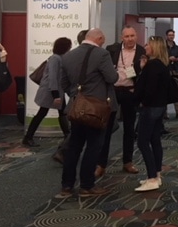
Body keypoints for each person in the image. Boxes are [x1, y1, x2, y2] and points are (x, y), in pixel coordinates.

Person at [59, 28, 118, 197]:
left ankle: (67, 185)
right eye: (102, 40)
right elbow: (112, 78)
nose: (103, 43)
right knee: (93, 147)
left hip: (76, 107)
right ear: (98, 38)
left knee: (74, 147)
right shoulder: (102, 55)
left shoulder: (68, 56)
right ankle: (86, 185)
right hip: (95, 109)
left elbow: (64, 83)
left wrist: (76, 96)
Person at [96, 25, 145, 178]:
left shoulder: (143, 51)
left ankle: (128, 161)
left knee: (129, 129)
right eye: (127, 36)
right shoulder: (112, 49)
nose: (130, 39)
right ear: (121, 38)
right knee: (107, 128)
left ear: (136, 36)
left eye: (132, 36)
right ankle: (101, 164)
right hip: (114, 91)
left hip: (131, 91)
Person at [134, 36, 170, 191]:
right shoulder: (161, 64)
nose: (145, 46)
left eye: (148, 44)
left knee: (142, 141)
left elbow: (147, 88)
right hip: (160, 107)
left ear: (154, 47)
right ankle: (157, 174)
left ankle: (152, 177)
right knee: (155, 139)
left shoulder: (153, 66)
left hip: (150, 107)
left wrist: (141, 101)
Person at [22, 37, 72, 147]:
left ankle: (67, 136)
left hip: (56, 91)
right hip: (50, 91)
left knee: (61, 112)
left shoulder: (59, 58)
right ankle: (28, 137)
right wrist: (56, 95)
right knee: (43, 113)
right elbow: (53, 77)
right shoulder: (55, 58)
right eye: (69, 46)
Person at [52, 29, 89, 164]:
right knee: (79, 129)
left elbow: (64, 81)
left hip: (75, 97)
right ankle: (63, 151)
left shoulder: (69, 56)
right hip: (83, 99)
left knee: (77, 129)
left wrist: (71, 93)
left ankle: (63, 150)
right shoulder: (81, 56)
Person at [165, 29, 178, 118]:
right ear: (166, 36)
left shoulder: (176, 47)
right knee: (165, 92)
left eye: (172, 35)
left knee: (177, 91)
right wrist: (168, 59)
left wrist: (176, 59)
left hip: (175, 71)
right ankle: (164, 113)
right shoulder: (163, 47)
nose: (171, 37)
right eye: (170, 35)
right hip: (166, 71)